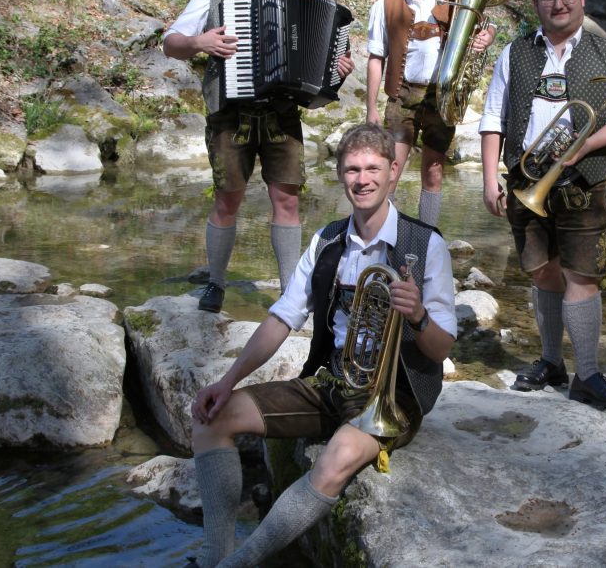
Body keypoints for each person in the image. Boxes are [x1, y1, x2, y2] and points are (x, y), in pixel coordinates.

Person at [187, 123, 456, 567]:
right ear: (339, 174)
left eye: (372, 168)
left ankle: (241, 563)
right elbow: (281, 319)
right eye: (352, 169)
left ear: (393, 171)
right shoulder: (327, 239)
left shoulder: (426, 245)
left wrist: (418, 315)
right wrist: (227, 380)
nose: (362, 179)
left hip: (395, 395)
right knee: (212, 419)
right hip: (332, 381)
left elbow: (441, 349)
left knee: (340, 455)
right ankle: (218, 553)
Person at [164, 0, 354, 313]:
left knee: (287, 200)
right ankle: (216, 284)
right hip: (229, 115)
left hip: (281, 114)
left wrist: (334, 67)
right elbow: (170, 43)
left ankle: (289, 291)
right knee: (227, 199)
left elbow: (317, 65)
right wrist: (199, 41)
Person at [479, 0, 606, 409]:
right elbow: (493, 118)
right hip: (526, 180)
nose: (559, 3)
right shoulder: (514, 53)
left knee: (582, 276)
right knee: (542, 272)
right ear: (536, 5)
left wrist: (586, 144)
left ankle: (587, 373)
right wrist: (489, 175)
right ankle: (552, 361)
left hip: (581, 182)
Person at [365, 0, 494, 227]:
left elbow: (487, 25)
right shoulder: (385, 5)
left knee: (434, 172)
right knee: (391, 171)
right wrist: (371, 108)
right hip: (402, 95)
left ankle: (426, 239)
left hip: (441, 97)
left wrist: (488, 37)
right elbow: (376, 58)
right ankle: (382, 236)